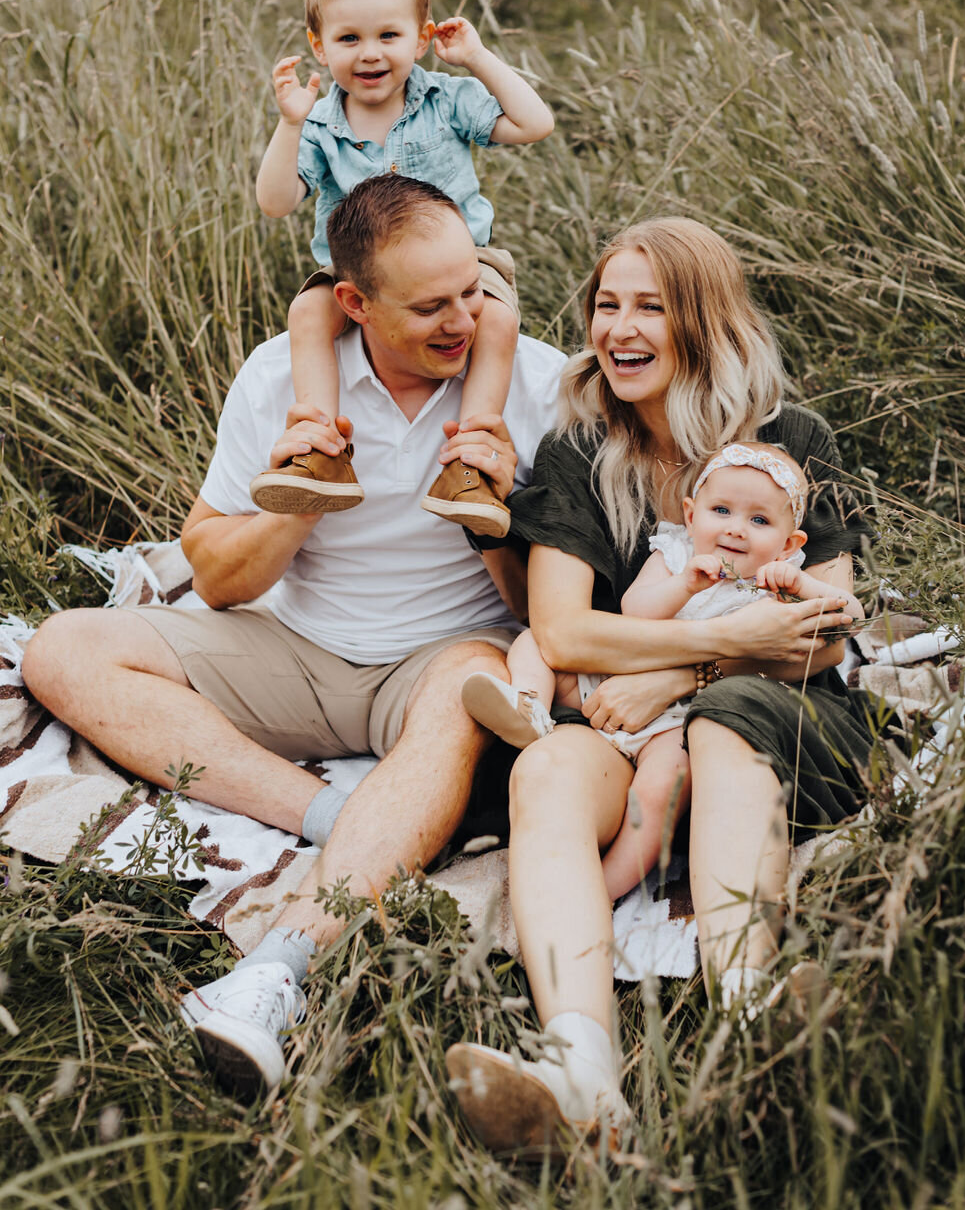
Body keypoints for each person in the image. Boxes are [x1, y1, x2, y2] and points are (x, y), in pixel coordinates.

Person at [22, 174, 566, 1098]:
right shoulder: (283, 374)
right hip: (299, 651)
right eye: (430, 306)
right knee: (60, 649)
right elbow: (216, 574)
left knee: (471, 688)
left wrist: (496, 519)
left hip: (444, 659)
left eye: (473, 292)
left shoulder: (538, 383)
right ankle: (341, 822)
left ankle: (275, 973)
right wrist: (295, 507)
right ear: (353, 303)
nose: (462, 322)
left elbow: (544, 611)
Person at [445, 217, 879, 1156]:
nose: (620, 327)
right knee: (549, 770)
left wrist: (688, 668)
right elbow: (559, 629)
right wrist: (670, 670)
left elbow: (820, 636)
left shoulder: (791, 439)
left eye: (651, 306)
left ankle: (751, 1019)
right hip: (622, 724)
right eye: (607, 305)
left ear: (704, 321)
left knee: (723, 718)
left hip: (768, 718)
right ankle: (581, 1069)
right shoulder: (577, 449)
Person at [461, 442, 862, 902]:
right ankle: (527, 704)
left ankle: (606, 889)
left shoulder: (777, 577)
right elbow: (636, 609)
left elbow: (845, 619)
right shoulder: (674, 553)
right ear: (692, 515)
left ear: (790, 542)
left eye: (759, 521)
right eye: (722, 510)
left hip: (679, 716)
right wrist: (684, 584)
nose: (736, 530)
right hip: (612, 683)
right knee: (535, 641)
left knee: (664, 788)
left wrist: (806, 585)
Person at [251, 0, 554, 537]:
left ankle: (470, 462)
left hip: (461, 270)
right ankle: (319, 448)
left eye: (389, 36)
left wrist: (478, 57)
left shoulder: (445, 102)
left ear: (421, 38)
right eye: (348, 39)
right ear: (319, 45)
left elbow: (534, 123)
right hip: (358, 278)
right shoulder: (318, 123)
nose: (370, 54)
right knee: (308, 311)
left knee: (495, 319)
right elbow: (276, 202)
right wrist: (289, 126)